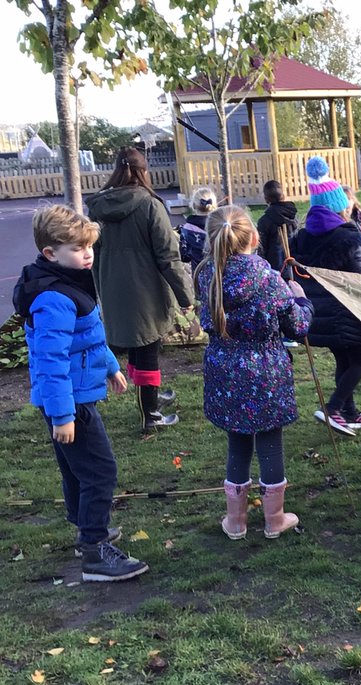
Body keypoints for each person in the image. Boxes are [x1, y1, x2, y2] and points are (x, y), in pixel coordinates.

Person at [16, 206, 148, 581]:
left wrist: (110, 367)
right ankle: (95, 551)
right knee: (100, 471)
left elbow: (87, 338)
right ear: (50, 253)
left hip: (73, 395)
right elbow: (51, 360)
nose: (87, 254)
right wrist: (63, 415)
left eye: (89, 246)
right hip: (69, 401)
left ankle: (86, 528)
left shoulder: (68, 282)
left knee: (77, 470)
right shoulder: (54, 299)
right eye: (77, 249)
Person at [197, 205, 313, 540]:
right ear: (254, 238)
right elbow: (298, 326)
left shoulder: (206, 275)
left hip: (225, 372)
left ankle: (236, 522)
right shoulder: (269, 279)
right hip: (265, 373)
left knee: (237, 443)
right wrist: (302, 301)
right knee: (270, 444)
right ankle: (274, 519)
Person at [87, 148, 193, 433]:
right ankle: (151, 414)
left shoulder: (98, 208)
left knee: (139, 346)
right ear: (143, 171)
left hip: (112, 288)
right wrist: (185, 296)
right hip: (146, 291)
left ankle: (151, 397)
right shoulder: (150, 205)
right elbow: (168, 256)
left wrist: (100, 290)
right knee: (147, 349)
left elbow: (93, 252)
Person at [289, 156, 361, 436]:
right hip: (346, 313)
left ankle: (349, 412)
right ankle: (333, 409)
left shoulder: (301, 237)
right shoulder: (347, 238)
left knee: (344, 361)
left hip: (319, 314)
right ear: (339, 207)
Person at [255, 180, 298, 273]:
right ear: (283, 195)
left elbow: (261, 248)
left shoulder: (264, 221)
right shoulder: (293, 215)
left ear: (266, 199)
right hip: (294, 264)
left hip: (275, 268)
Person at [178, 186, 215, 269]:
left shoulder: (186, 229)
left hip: (199, 273)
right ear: (214, 205)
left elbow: (184, 257)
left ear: (193, 206)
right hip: (222, 273)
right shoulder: (221, 226)